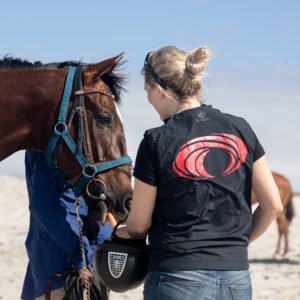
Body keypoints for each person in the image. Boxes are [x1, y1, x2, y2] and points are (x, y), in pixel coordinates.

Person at [116, 46, 283, 300]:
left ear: (159, 90)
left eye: (147, 91)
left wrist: (119, 231)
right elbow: (273, 206)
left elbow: (139, 226)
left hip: (178, 277)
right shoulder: (241, 128)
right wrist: (233, 246)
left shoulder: (156, 140)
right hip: (236, 279)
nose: (148, 99)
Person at [21, 150, 112, 300]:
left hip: (90, 263)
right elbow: (45, 207)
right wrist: (80, 260)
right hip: (64, 270)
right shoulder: (53, 138)